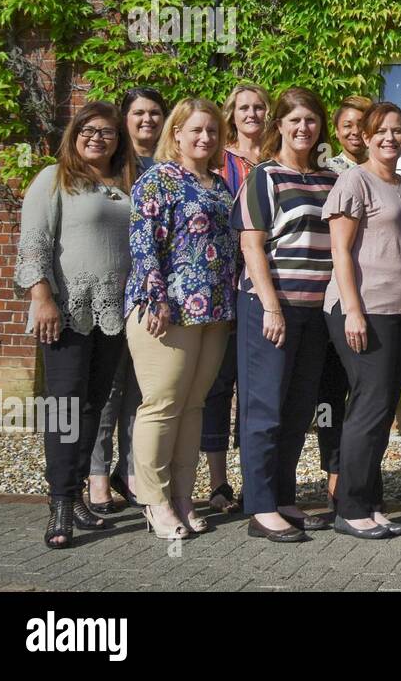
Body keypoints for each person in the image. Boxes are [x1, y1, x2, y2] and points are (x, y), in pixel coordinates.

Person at [16, 103, 136, 548]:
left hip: (113, 315)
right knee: (64, 409)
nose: (97, 137)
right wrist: (42, 298)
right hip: (65, 313)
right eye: (88, 129)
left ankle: (80, 493)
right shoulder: (54, 178)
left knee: (93, 406)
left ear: (117, 140)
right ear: (74, 134)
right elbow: (34, 243)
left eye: (107, 132)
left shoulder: (125, 185)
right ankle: (61, 502)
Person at [126, 98, 237, 540]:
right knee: (162, 405)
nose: (205, 138)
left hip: (212, 311)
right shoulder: (158, 180)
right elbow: (143, 244)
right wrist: (157, 299)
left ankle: (183, 498)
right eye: (196, 131)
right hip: (167, 310)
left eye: (212, 131)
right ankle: (153, 502)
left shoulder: (219, 185)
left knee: (193, 407)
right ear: (177, 134)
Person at [235, 87, 338, 542]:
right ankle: (259, 508)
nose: (303, 128)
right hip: (270, 307)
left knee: (298, 411)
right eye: (294, 120)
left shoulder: (330, 179)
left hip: (314, 312)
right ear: (278, 125)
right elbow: (251, 244)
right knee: (265, 408)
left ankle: (283, 497)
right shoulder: (265, 177)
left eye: (311, 121)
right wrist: (271, 306)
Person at [323, 102, 401, 539]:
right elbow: (340, 251)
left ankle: (370, 501)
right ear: (364, 135)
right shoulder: (354, 180)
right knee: (369, 405)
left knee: (381, 409)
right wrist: (353, 310)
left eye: (397, 131)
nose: (390, 138)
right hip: (364, 310)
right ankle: (350, 508)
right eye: (381, 130)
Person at [88, 87, 165, 514]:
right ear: (125, 118)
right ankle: (97, 476)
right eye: (139, 113)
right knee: (109, 388)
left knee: (142, 390)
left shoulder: (169, 166)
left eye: (155, 113)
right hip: (112, 292)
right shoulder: (109, 167)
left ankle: (131, 471)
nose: (147, 120)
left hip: (152, 297)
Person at [198, 83, 271, 515]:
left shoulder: (277, 160)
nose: (252, 113)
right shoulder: (218, 160)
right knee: (218, 386)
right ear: (231, 114)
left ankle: (253, 482)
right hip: (223, 283)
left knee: (256, 390)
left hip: (263, 285)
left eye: (259, 107)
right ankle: (217, 480)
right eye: (243, 107)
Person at [316, 95, 373, 513]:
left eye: (362, 125)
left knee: (364, 390)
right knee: (328, 393)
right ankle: (333, 471)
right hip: (328, 296)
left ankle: (357, 474)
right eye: (347, 125)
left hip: (370, 297)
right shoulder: (326, 172)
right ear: (337, 131)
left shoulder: (386, 172)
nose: (355, 132)